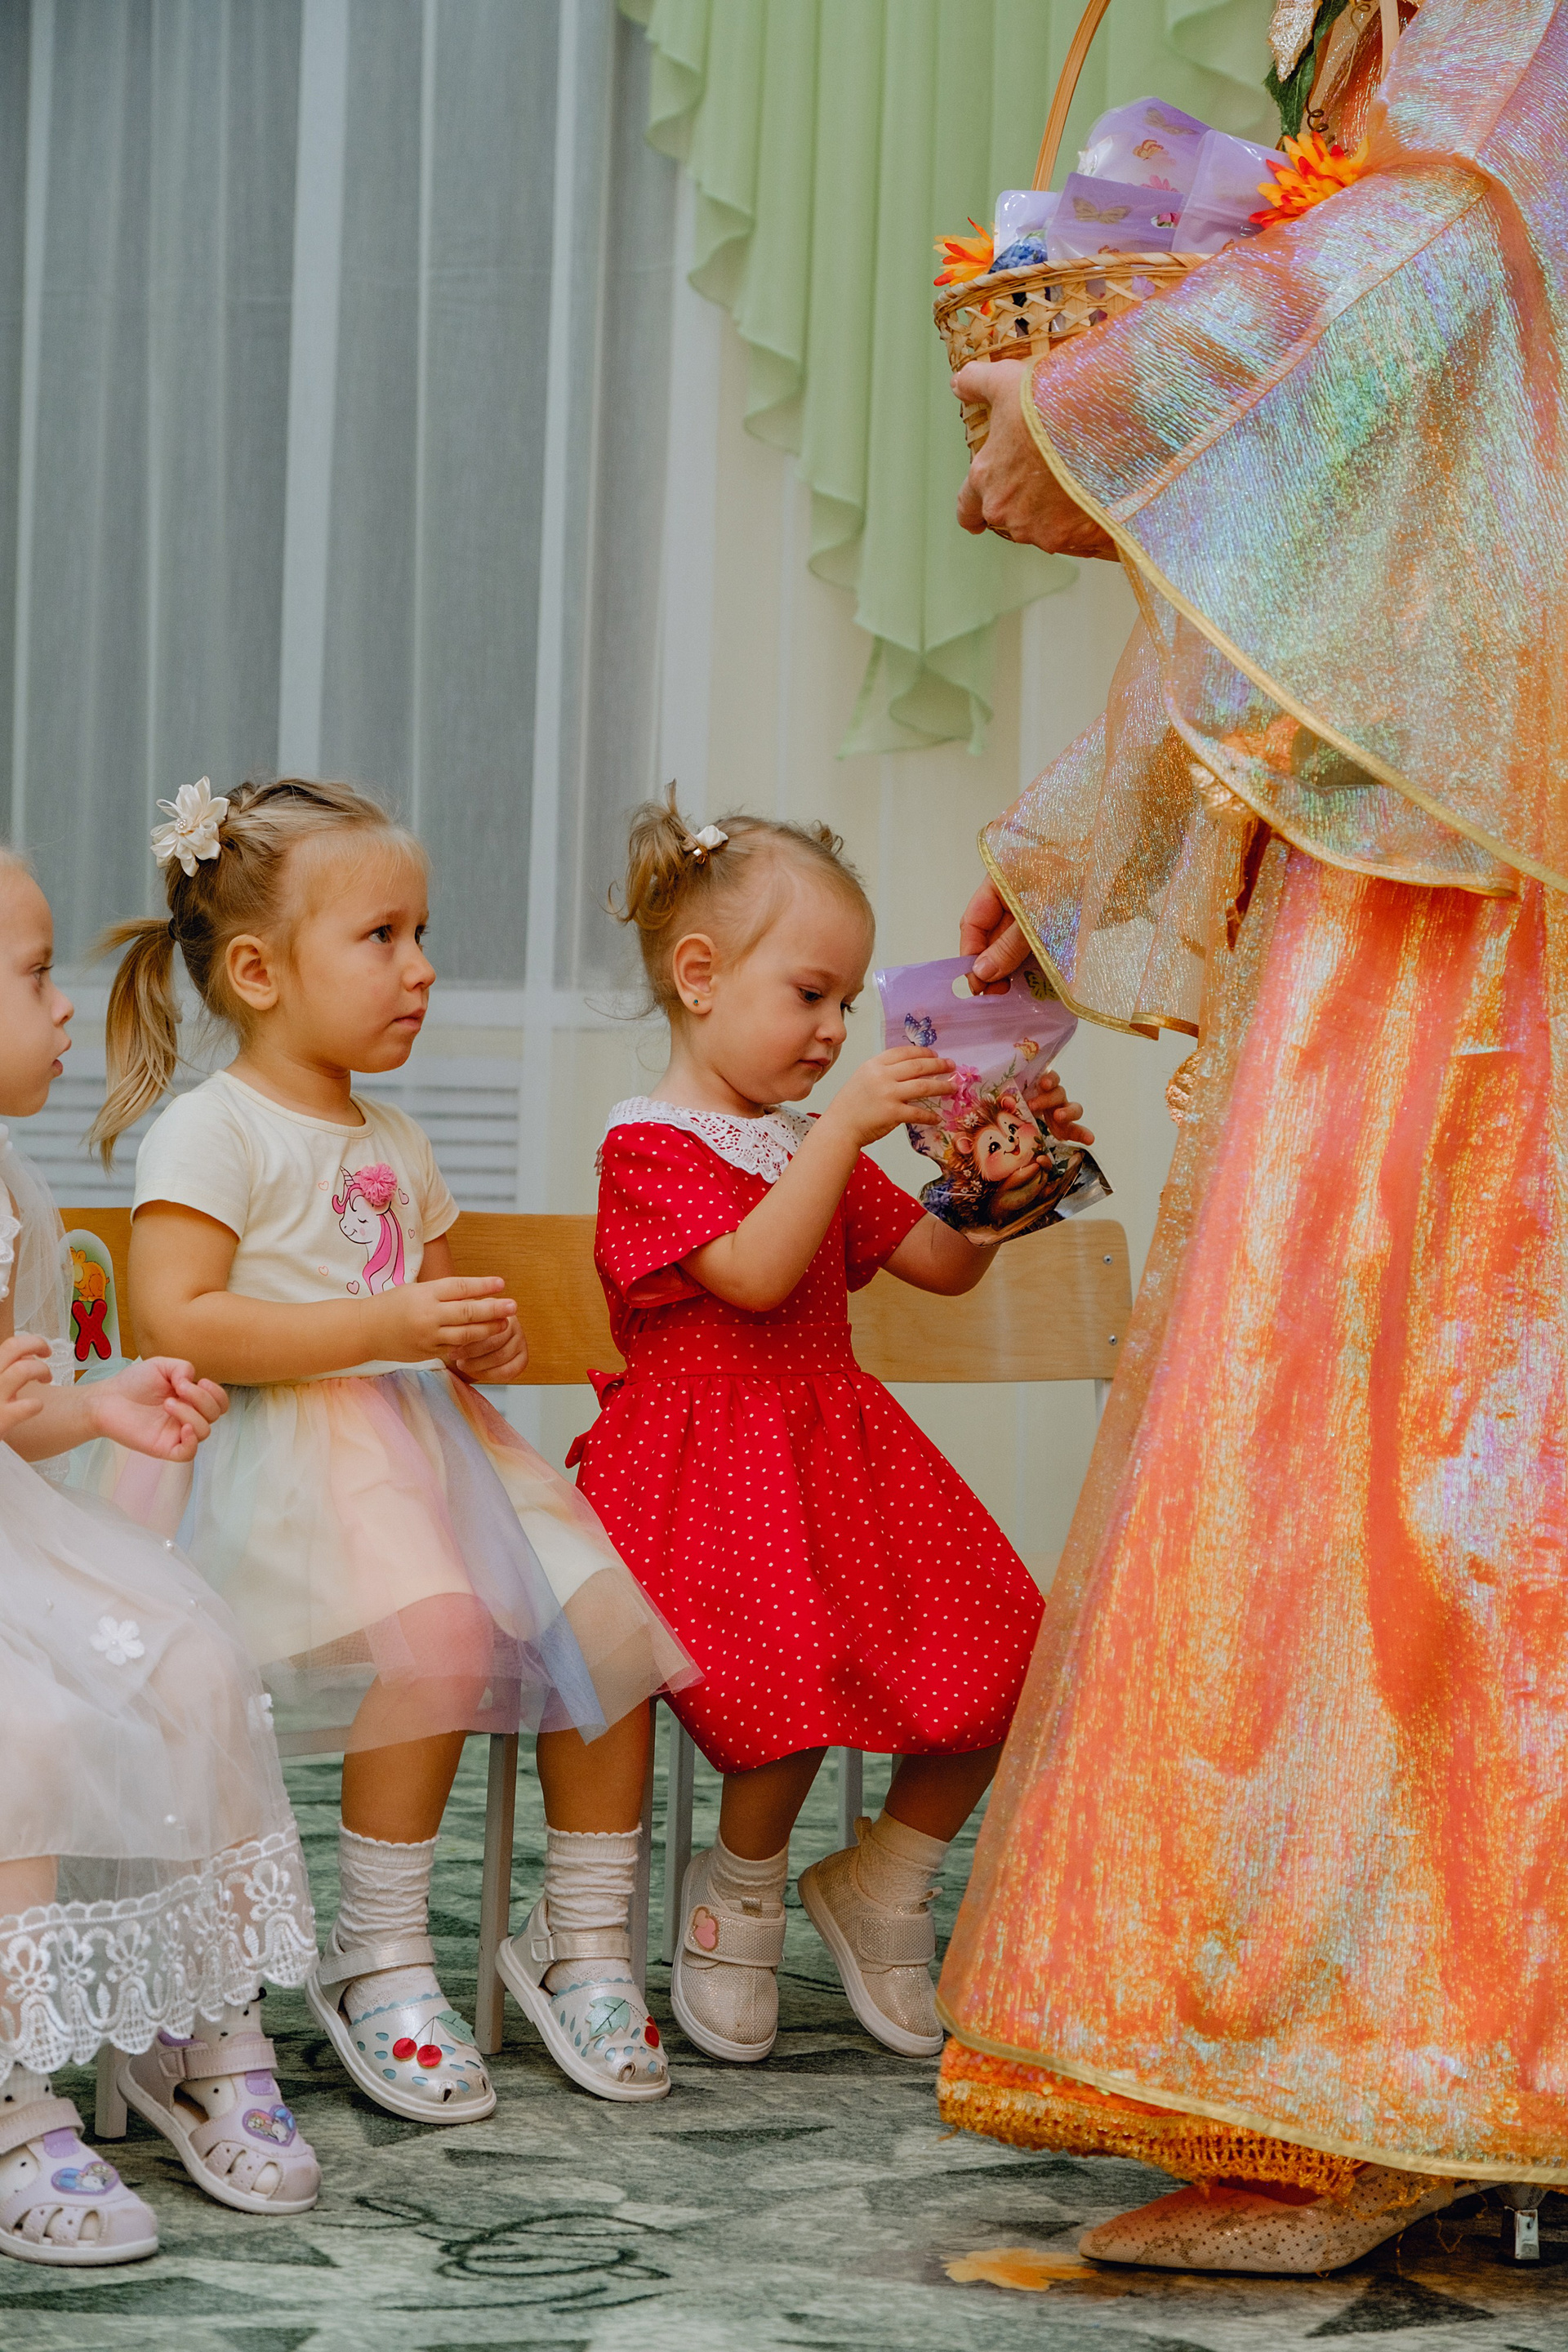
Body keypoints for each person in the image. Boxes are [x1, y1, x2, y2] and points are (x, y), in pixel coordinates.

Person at [933, 0, 1567, 2273]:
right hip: (1444, 856)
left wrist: (1097, 408)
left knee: (1405, 1435)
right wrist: (1095, 832)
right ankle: (1428, 2071)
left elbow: (1427, 280)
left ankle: (1377, 2079)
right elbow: (1400, 518)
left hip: (1474, 928)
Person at [91, 777, 694, 2118]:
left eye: (422, 935)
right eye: (382, 938)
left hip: (432, 1449)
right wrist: (386, 1323)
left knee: (608, 1629)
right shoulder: (214, 1128)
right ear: (259, 972)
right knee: (441, 1638)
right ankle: (378, 1949)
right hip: (285, 1457)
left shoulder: (397, 1137)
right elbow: (175, 1320)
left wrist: (467, 1338)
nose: (420, 969)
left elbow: (421, 1300)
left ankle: (580, 1933)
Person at [568, 792, 1085, 2064]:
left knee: (1009, 1649)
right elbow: (750, 1275)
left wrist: (999, 1181)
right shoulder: (647, 1145)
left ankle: (884, 1878)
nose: (838, 1030)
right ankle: (738, 1893)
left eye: (850, 1002)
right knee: (789, 1671)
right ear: (701, 977)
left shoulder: (811, 1140)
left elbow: (940, 1267)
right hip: (695, 1470)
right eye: (811, 995)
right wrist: (846, 1129)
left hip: (833, 1450)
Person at [0, 849, 318, 2266]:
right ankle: (11, 2083)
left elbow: (21, 1411)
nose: (64, 1004)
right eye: (31, 976)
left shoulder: (11, 1188)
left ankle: (195, 2029)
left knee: (192, 1658)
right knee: (23, 1731)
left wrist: (96, 1405)